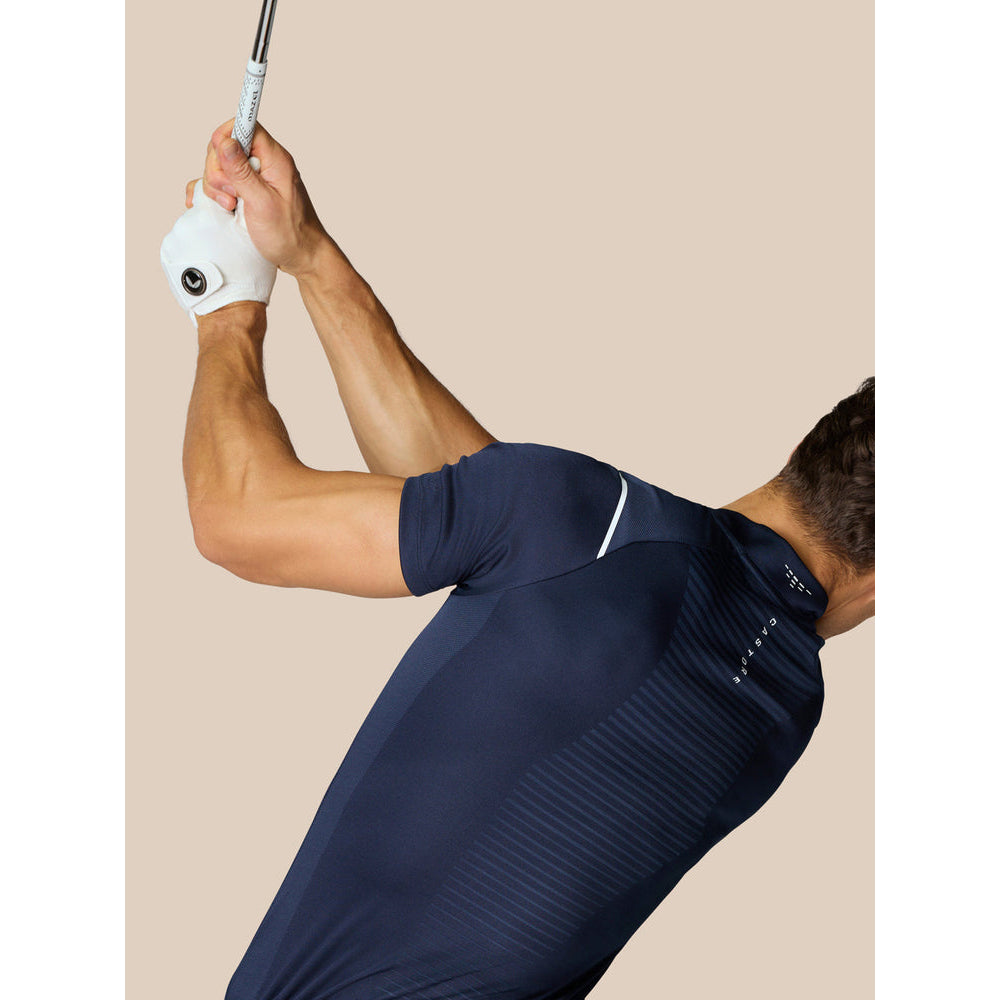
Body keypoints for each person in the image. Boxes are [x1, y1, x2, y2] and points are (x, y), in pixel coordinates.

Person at [161, 120, 874, 1000]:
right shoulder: (784, 708)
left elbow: (236, 515)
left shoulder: (590, 533)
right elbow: (491, 524)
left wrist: (227, 306)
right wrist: (309, 256)